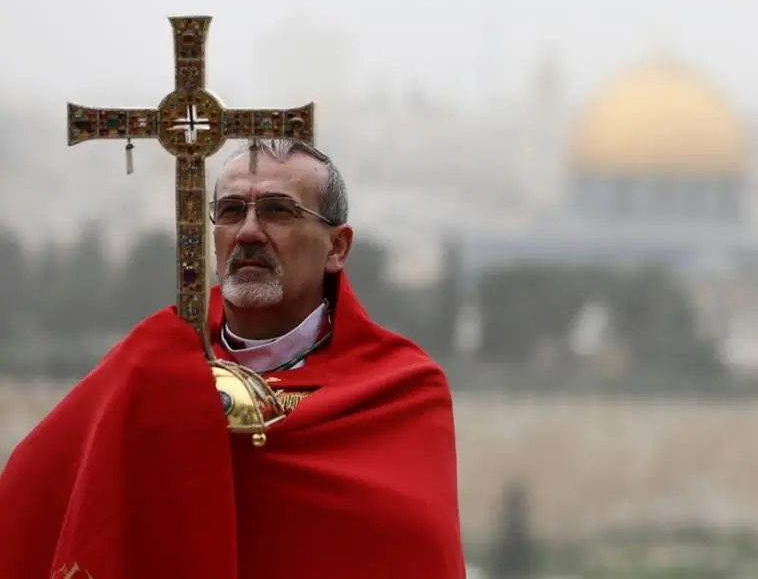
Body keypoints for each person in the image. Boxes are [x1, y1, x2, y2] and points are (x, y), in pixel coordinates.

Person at [0, 138, 466, 579]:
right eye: (229, 211)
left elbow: (412, 550)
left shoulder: (402, 390)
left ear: (337, 247)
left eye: (277, 211)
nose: (247, 232)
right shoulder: (145, 365)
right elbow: (34, 493)